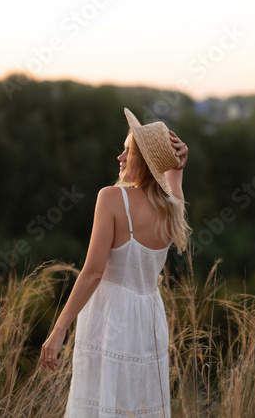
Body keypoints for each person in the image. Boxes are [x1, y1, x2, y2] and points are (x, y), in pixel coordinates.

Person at [40, 107, 191, 417]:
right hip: (149, 320)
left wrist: (58, 329)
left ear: (147, 162)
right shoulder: (172, 208)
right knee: (137, 405)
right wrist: (177, 166)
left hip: (111, 317)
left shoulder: (111, 197)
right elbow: (174, 186)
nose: (120, 158)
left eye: (128, 152)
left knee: (102, 404)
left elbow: (94, 272)